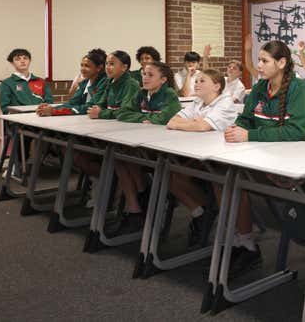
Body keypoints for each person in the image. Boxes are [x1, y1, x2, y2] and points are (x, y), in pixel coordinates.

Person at [223, 40, 305, 274]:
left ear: (282, 63)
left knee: (234, 180)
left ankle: (245, 243)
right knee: (226, 176)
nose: (259, 66)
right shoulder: (260, 88)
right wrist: (236, 129)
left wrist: (249, 135)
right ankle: (241, 241)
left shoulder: (298, 89)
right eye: (259, 60)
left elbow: (296, 132)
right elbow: (245, 119)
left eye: (264, 61)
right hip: (261, 156)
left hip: (289, 166)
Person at [167, 69, 237, 248]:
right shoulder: (198, 102)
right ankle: (201, 211)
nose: (196, 84)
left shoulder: (225, 102)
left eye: (202, 81)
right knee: (170, 176)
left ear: (216, 86)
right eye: (196, 81)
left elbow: (204, 127)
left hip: (221, 158)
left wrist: (193, 124)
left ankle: (209, 212)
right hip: (199, 152)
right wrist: (193, 123)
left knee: (178, 176)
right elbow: (172, 121)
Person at [109, 61, 181, 236]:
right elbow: (122, 113)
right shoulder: (141, 93)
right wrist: (143, 118)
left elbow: (163, 119)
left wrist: (145, 117)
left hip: (163, 148)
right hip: (143, 143)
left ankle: (143, 194)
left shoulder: (169, 95)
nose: (145, 78)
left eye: (150, 75)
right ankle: (138, 202)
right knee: (119, 157)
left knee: (126, 156)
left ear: (163, 79)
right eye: (143, 74)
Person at [83, 50, 141, 181]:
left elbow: (125, 111)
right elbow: (100, 103)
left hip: (127, 131)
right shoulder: (110, 82)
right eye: (106, 64)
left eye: (112, 64)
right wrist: (97, 108)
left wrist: (101, 113)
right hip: (110, 126)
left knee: (117, 160)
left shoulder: (130, 84)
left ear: (125, 67)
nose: (107, 67)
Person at [37, 48, 108, 116]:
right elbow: (72, 103)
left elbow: (90, 107)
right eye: (81, 65)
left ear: (99, 68)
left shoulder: (104, 82)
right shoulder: (85, 82)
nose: (82, 69)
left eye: (87, 66)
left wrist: (54, 111)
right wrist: (51, 108)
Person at [0, 48, 53, 114]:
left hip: (40, 118)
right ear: (12, 63)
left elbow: (49, 103)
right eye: (17, 59)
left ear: (30, 61)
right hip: (19, 121)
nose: (22, 61)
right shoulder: (6, 83)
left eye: (25, 58)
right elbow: (5, 108)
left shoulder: (41, 81)